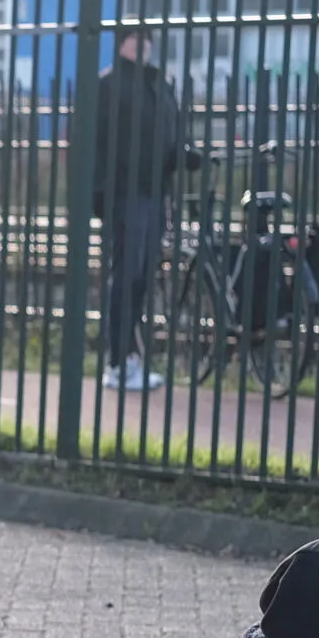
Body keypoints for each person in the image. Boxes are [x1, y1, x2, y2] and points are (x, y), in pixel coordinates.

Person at [92, 27, 187, 393]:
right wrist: (100, 192)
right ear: (122, 44)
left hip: (153, 192)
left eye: (147, 38)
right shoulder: (110, 85)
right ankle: (117, 361)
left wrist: (181, 154)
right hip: (125, 193)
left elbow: (168, 134)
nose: (143, 44)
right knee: (127, 274)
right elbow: (98, 141)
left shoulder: (157, 86)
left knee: (142, 277)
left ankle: (129, 357)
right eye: (135, 38)